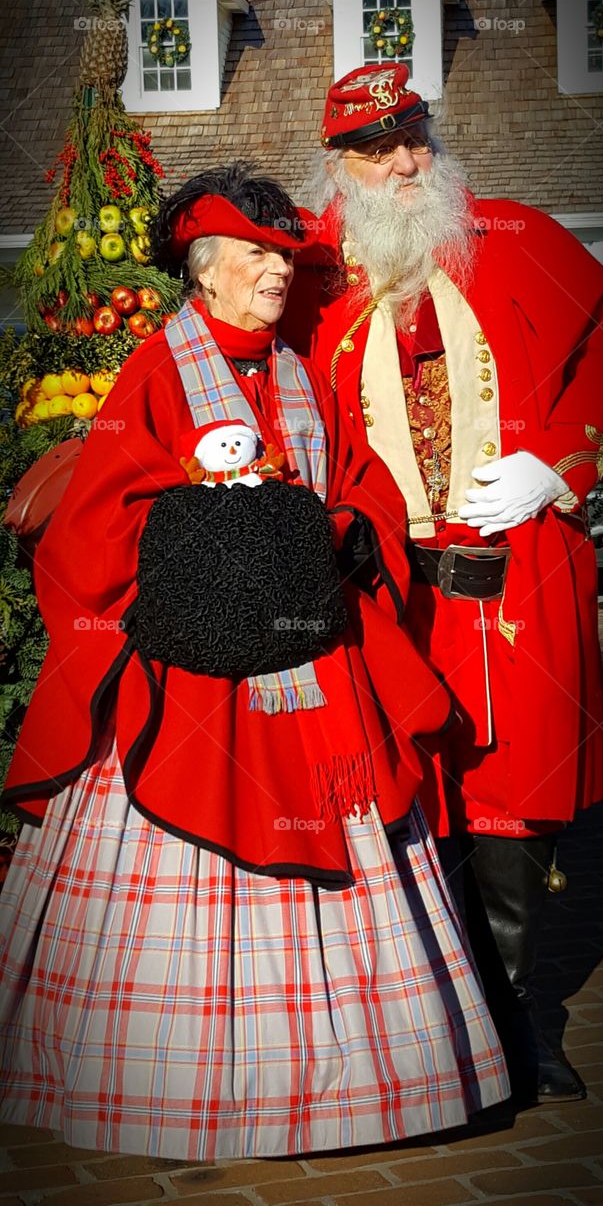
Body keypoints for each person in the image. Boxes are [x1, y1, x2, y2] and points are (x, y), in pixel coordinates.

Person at [0, 163, 508, 1159]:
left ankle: (348, 1092)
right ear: (203, 270)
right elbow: (98, 516)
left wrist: (359, 524)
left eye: (283, 255)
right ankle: (185, 1092)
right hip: (194, 667)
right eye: (256, 255)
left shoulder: (295, 367)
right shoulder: (156, 369)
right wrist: (207, 542)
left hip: (311, 651)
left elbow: (356, 471)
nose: (277, 271)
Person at [284, 63, 603, 1105]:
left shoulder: (512, 236)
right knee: (399, 785)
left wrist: (561, 461)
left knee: (515, 795)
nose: (406, 160)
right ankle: (433, 1017)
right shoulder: (303, 272)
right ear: (340, 161)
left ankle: (520, 1019)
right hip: (382, 585)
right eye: (377, 146)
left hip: (512, 571)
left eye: (414, 135)